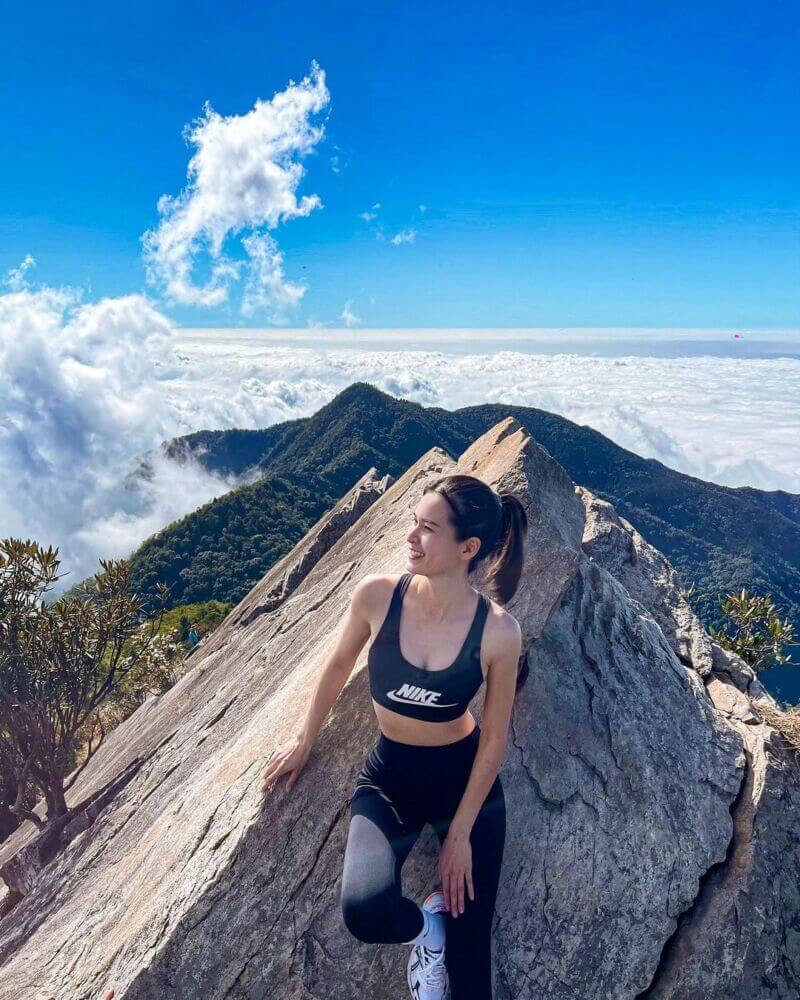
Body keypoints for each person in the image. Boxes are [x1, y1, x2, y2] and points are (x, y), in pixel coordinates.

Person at [261, 474, 528, 999]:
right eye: (414, 522)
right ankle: (429, 934)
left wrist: (459, 837)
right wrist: (304, 739)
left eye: (427, 529)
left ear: (467, 548)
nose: (411, 536)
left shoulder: (498, 631)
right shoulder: (377, 597)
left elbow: (494, 738)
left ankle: (452, 942)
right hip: (389, 779)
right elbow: (337, 667)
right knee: (364, 910)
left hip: (462, 783)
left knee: (473, 976)